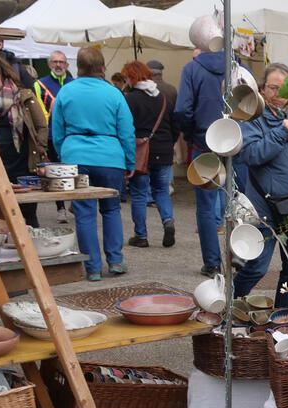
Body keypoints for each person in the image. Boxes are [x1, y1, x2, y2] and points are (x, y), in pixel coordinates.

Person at [50, 46, 135, 282]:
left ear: (78, 67)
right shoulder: (114, 93)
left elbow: (56, 130)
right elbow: (127, 131)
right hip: (110, 157)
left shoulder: (66, 92)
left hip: (76, 156)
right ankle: (115, 260)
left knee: (84, 213)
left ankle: (93, 267)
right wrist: (129, 160)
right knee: (111, 210)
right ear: (102, 67)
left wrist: (64, 154)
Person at [176, 30, 255, 277]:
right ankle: (241, 255)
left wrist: (191, 135)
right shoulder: (236, 67)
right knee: (240, 198)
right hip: (235, 138)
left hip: (204, 141)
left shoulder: (192, 69)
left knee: (207, 206)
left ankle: (212, 263)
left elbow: (183, 111)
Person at [235, 63, 288, 309]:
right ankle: (228, 305)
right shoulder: (252, 118)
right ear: (261, 89)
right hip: (264, 206)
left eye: (285, 88)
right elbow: (251, 155)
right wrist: (280, 133)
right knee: (257, 266)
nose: (279, 94)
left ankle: (282, 320)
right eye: (272, 87)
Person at [0, 56, 48, 228]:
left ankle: (33, 250)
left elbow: (42, 126)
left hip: (22, 167)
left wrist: (40, 150)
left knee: (27, 214)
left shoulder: (24, 97)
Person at [123, 60, 178, 249]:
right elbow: (174, 124)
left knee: (139, 194)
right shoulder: (162, 97)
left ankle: (141, 236)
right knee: (162, 190)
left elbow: (126, 128)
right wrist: (170, 142)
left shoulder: (129, 99)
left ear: (131, 77)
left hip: (141, 152)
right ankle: (168, 221)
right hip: (164, 149)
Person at [35, 50, 74, 224]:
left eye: (62, 62)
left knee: (73, 171)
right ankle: (61, 208)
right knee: (56, 171)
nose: (58, 65)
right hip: (51, 136)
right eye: (55, 62)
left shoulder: (74, 84)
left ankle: (75, 203)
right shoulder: (40, 84)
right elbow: (38, 112)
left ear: (67, 65)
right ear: (50, 64)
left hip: (71, 135)